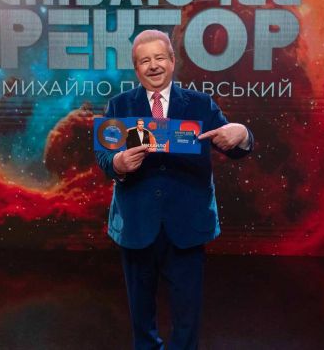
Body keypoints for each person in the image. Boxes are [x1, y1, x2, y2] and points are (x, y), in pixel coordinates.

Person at [96, 30, 253, 350]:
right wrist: (118, 163)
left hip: (187, 225)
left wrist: (242, 133)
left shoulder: (200, 104)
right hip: (137, 224)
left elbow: (232, 144)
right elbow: (104, 156)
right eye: (144, 61)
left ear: (172, 61)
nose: (153, 66)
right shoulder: (119, 105)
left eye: (159, 58)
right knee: (140, 310)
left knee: (187, 311)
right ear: (136, 68)